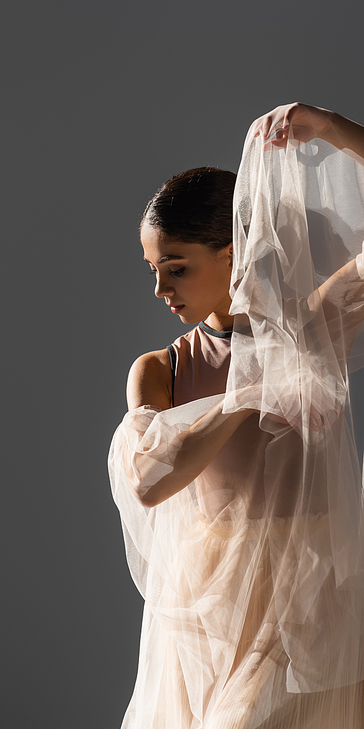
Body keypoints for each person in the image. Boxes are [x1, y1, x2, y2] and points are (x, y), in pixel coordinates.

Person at [109, 103, 364, 728]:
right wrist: (247, 394)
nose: (163, 290)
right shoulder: (160, 370)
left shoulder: (310, 328)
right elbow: (149, 481)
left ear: (231, 251)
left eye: (177, 268)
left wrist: (331, 128)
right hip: (211, 621)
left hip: (310, 606)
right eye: (154, 272)